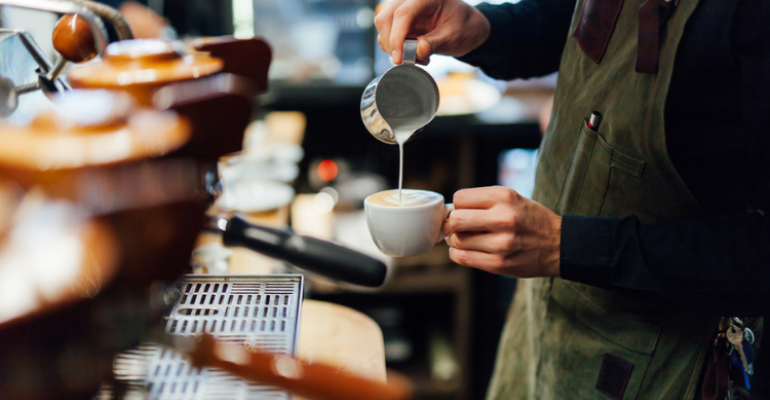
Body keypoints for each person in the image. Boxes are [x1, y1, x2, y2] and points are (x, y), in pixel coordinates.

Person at [374, 0, 770, 399]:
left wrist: (568, 245)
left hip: (662, 362)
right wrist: (485, 27)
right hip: (542, 323)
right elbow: (570, 21)